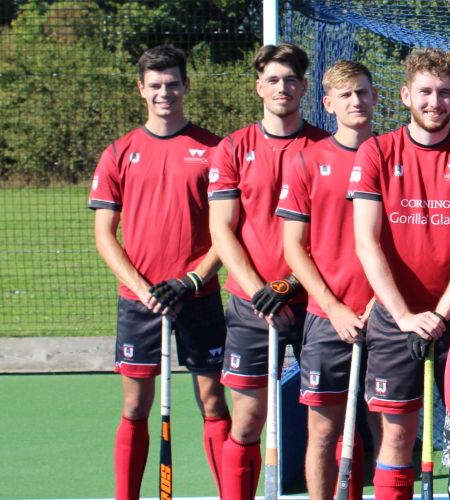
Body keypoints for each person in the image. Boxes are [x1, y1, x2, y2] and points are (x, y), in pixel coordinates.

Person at [89, 44, 230, 499]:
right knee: (135, 406)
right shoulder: (119, 152)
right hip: (140, 302)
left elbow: (228, 232)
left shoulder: (214, 150)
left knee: (213, 401)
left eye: (172, 84)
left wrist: (193, 280)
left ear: (186, 86)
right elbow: (104, 234)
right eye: (155, 86)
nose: (164, 93)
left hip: (198, 298)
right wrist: (143, 287)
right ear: (140, 89)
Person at [349, 48, 450, 500]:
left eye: (445, 92)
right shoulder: (376, 151)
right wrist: (406, 317)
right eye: (425, 91)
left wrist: (441, 315)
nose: (435, 102)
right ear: (406, 95)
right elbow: (367, 243)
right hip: (396, 318)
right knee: (396, 435)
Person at [207, 42, 330, 499]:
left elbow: (333, 234)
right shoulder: (232, 148)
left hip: (315, 303)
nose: (282, 88)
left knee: (329, 421)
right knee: (247, 420)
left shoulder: (325, 148)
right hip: (250, 305)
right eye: (273, 80)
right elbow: (222, 230)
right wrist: (262, 292)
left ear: (304, 87)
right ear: (259, 86)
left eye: (291, 80)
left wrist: (290, 284)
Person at [274, 59, 377, 500]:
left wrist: (381, 303)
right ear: (328, 103)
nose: (356, 101)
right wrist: (334, 309)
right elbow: (293, 248)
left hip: (386, 314)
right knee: (323, 431)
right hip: (326, 317)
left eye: (363, 92)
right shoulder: (308, 161)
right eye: (346, 94)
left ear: (375, 97)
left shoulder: (393, 155)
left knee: (383, 430)